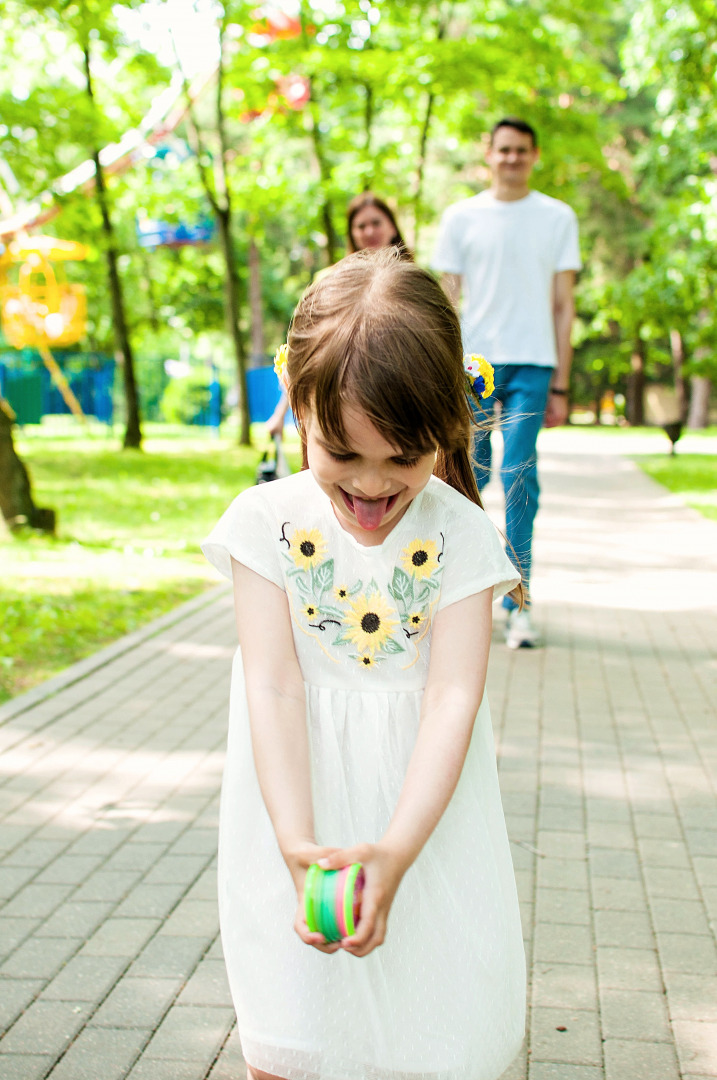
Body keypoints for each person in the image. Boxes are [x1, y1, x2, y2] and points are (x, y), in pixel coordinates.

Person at [202, 247, 526, 1080]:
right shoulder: (262, 523)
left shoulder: (459, 533)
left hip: (424, 821)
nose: (374, 490)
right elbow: (272, 685)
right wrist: (294, 841)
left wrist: (397, 850)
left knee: (439, 1033)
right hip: (295, 810)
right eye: (344, 456)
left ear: (444, 431)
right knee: (294, 1032)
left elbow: (452, 698)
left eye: (404, 459)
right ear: (297, 405)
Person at [432, 117, 581, 649]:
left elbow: (564, 306)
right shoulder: (461, 217)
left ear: (535, 155)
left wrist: (561, 383)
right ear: (489, 154)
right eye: (504, 150)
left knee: (520, 479)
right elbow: (444, 304)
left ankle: (519, 602)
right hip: (474, 369)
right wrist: (443, 372)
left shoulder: (557, 217)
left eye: (522, 150)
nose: (512, 158)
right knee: (468, 477)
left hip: (534, 364)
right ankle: (453, 594)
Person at [266, 194, 409, 436]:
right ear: (351, 233)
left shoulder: (412, 282)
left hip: (401, 400)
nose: (369, 231)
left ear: (392, 226)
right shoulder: (330, 280)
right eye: (361, 226)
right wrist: (282, 414)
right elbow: (310, 351)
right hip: (343, 402)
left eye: (376, 223)